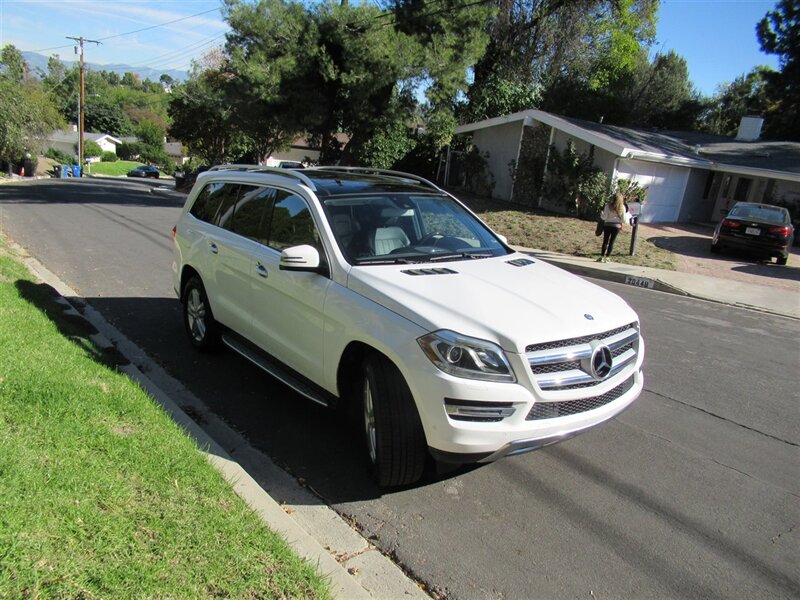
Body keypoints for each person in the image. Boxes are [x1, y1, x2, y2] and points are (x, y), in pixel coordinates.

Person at [597, 193, 628, 262]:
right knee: (612, 242)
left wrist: (601, 213)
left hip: (607, 225)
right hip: (616, 226)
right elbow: (623, 220)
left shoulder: (608, 206)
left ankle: (601, 257)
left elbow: (604, 217)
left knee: (605, 241)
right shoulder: (622, 207)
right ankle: (607, 257)